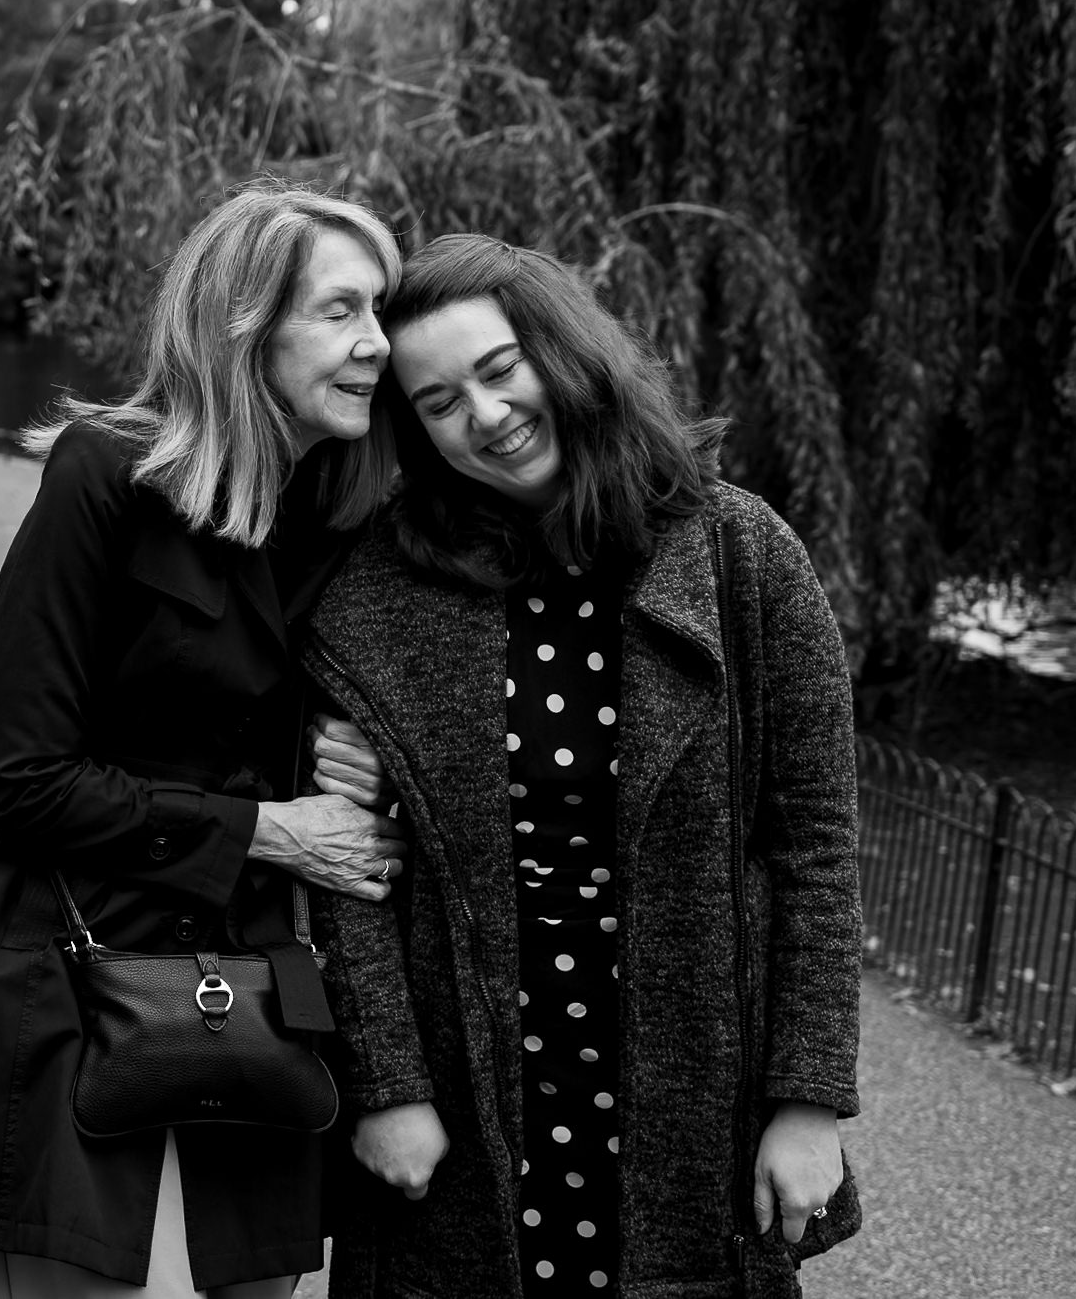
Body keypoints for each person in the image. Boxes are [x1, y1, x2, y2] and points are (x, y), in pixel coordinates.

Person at [0, 183, 410, 1299]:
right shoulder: (103, 475)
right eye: (342, 311)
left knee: (246, 1280)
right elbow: (26, 779)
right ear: (242, 324)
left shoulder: (343, 513)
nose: (377, 344)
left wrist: (355, 767)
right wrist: (272, 828)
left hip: (258, 968)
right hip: (70, 953)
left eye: (383, 310)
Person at [298, 235, 863, 1298]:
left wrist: (807, 1100)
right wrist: (385, 1086)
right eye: (435, 400)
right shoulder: (382, 592)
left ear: (563, 353)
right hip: (462, 1098)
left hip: (690, 1084)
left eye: (499, 367)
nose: (484, 413)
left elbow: (814, 852)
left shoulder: (739, 555)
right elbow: (350, 872)